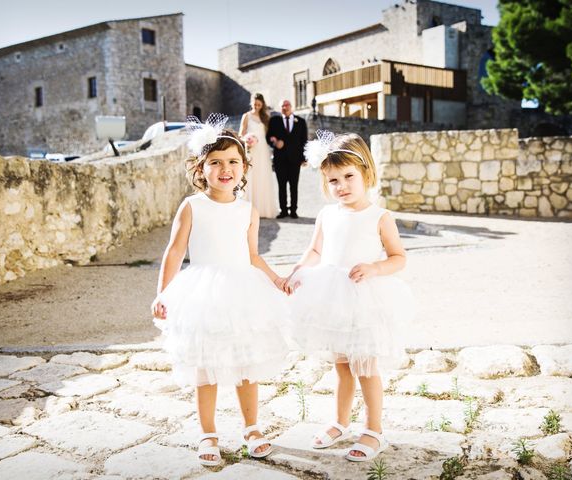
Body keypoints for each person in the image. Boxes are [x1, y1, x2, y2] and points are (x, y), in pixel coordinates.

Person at [151, 114, 289, 467]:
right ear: (201, 168)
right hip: (203, 294)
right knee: (206, 368)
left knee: (247, 364)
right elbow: (175, 252)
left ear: (244, 167)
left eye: (233, 162)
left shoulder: (248, 210)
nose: (225, 169)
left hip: (242, 293)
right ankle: (207, 433)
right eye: (216, 162)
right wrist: (162, 293)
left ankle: (252, 428)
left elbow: (253, 255)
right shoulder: (192, 206)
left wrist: (276, 280)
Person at [282, 130, 414, 462]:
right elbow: (315, 250)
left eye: (348, 177)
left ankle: (374, 429)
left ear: (366, 173)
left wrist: (373, 267)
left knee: (366, 367)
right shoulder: (328, 215)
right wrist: (297, 271)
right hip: (332, 298)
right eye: (333, 180)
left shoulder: (379, 217)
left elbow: (398, 257)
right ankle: (340, 421)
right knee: (341, 366)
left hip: (364, 299)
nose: (341, 186)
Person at [266, 99, 308, 219]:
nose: (285, 107)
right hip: (280, 160)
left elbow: (304, 141)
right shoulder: (274, 121)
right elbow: (269, 137)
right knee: (281, 186)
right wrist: (274, 143)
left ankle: (293, 210)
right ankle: (283, 210)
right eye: (283, 106)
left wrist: (304, 158)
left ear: (291, 107)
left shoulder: (300, 121)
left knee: (294, 186)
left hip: (295, 160)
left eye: (287, 105)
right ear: (280, 108)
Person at [238, 93, 277, 218]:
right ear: (251, 102)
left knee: (263, 176)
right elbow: (241, 134)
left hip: (263, 150)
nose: (257, 106)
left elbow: (269, 134)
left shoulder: (265, 117)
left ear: (262, 104)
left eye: (259, 104)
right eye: (255, 104)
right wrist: (247, 141)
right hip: (251, 150)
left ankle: (263, 209)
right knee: (251, 176)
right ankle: (248, 209)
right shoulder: (246, 116)